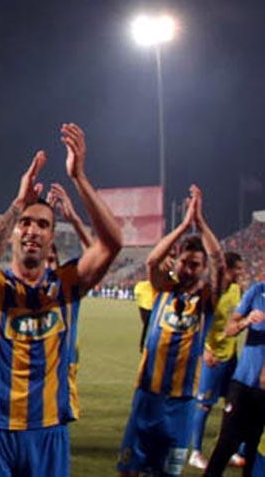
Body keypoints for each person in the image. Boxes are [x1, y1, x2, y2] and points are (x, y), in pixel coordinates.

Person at [0, 124, 123, 477]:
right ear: (15, 230)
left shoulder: (67, 284)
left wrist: (79, 176)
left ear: (52, 236)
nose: (33, 230)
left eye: (43, 225)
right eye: (26, 223)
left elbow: (112, 244)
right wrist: (18, 203)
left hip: (49, 429)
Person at [116, 185, 225, 477]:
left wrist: (200, 224)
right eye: (184, 262)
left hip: (181, 404)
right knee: (129, 471)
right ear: (177, 261)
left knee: (166, 474)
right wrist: (182, 227)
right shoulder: (163, 289)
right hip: (147, 396)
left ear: (203, 269)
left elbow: (220, 266)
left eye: (195, 265)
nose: (188, 269)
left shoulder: (206, 302)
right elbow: (152, 261)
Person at [202, 272, 265, 476]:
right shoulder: (257, 291)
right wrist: (246, 321)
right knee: (227, 441)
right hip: (243, 381)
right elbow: (229, 330)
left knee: (255, 446)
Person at [188, 252, 247, 470]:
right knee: (204, 404)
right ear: (228, 269)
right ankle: (195, 452)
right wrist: (206, 349)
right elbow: (202, 320)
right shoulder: (215, 291)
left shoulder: (237, 290)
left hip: (231, 355)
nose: (241, 272)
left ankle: (227, 448)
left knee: (233, 404)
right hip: (213, 355)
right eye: (237, 268)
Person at [134, 278, 155, 351]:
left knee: (146, 327)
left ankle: (142, 345)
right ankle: (145, 345)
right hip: (152, 307)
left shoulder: (143, 286)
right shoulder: (148, 286)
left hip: (147, 307)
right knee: (152, 327)